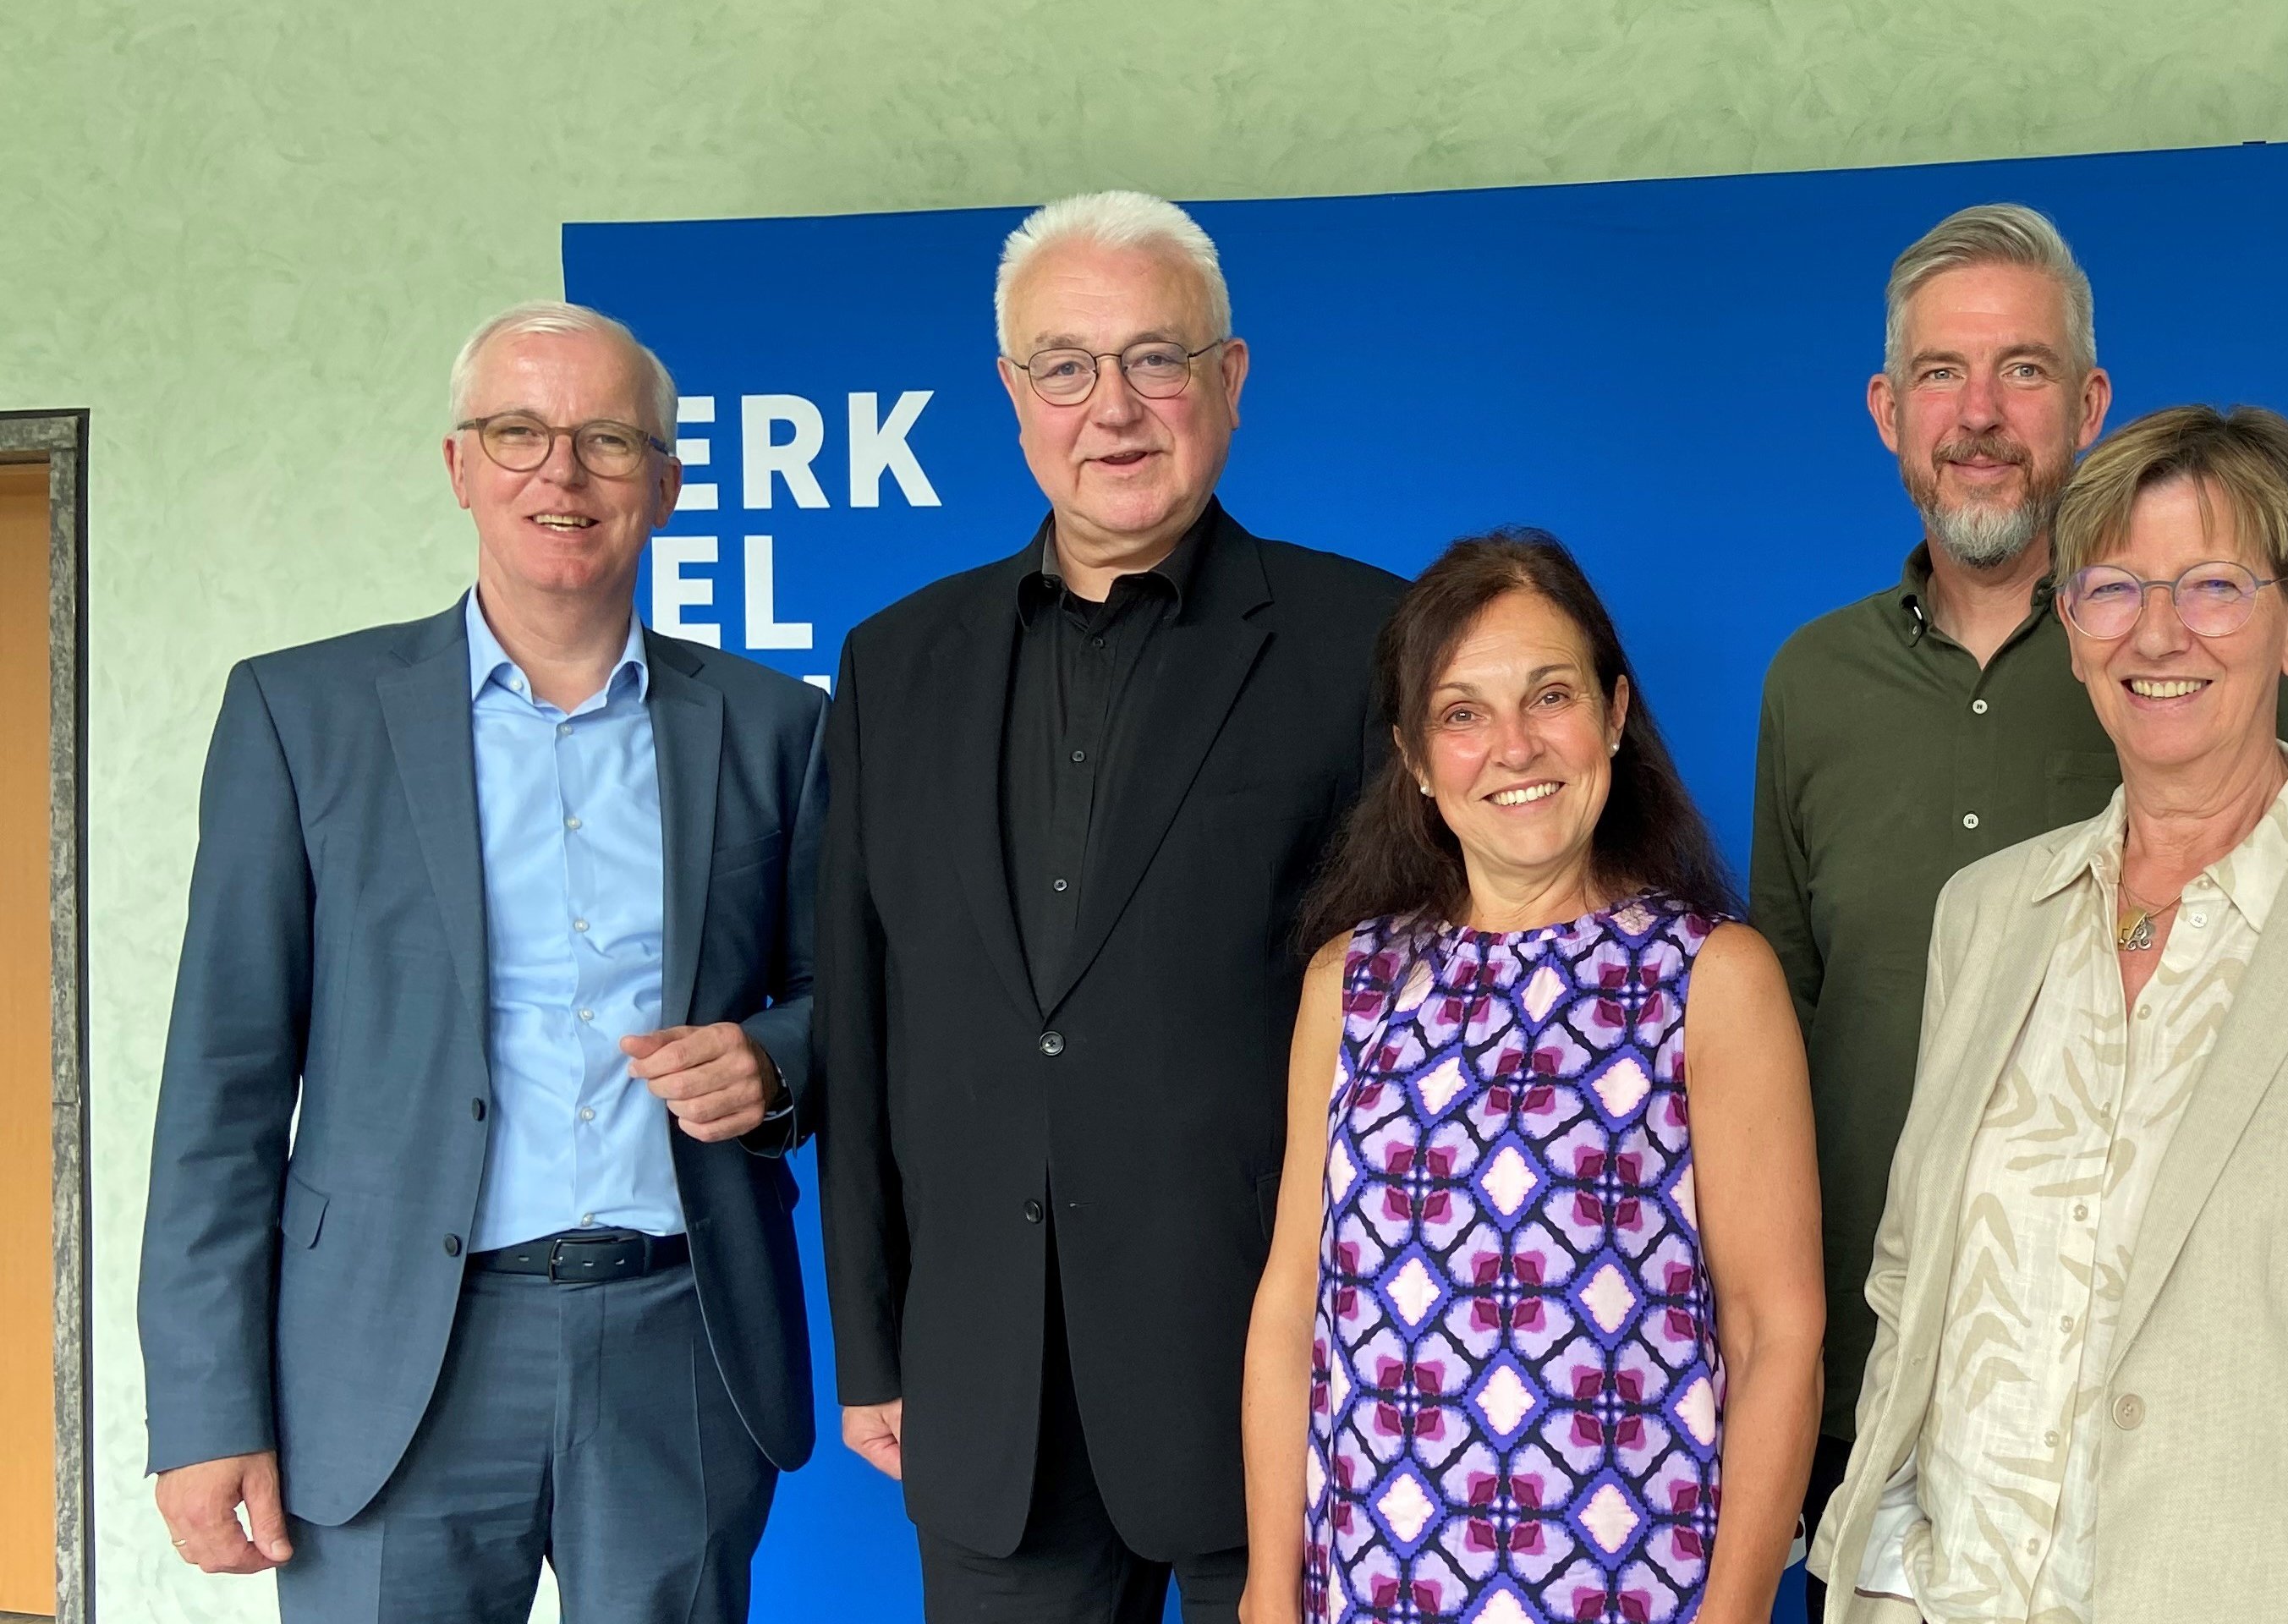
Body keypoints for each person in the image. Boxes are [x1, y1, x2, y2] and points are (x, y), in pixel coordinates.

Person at [1812, 404, 2288, 1623]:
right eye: (2113, 587)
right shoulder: (1988, 915)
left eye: (2214, 585)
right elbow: (1918, 1287)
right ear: (2068, 629)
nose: (2159, 633)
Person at [140, 302, 827, 1621]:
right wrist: (203, 1406)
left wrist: (774, 1060)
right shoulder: (303, 717)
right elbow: (220, 1088)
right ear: (460, 467)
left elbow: (846, 1003)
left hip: (679, 1340)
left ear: (668, 485)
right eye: (519, 432)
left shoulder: (776, 729)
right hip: (390, 1355)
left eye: (607, 441)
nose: (559, 475)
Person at [815, 189, 1404, 1622]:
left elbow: (1420, 1020)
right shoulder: (895, 664)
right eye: (1066, 366)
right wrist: (875, 1346)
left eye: (1157, 357)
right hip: (987, 1396)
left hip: (1276, 1387)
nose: (1115, 407)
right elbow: (864, 1015)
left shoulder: (1367, 644)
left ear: (1232, 378)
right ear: (1014, 395)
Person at [1747, 206, 2288, 1602]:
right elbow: (1781, 1004)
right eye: (1943, 376)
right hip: (1875, 1374)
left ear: (2090, 402)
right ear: (1890, 412)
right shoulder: (1810, 681)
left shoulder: (2195, 658)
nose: (1982, 416)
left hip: (2155, 1376)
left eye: (2023, 370)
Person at [1238, 532, 1823, 1624]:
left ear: (1613, 715)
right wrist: (1272, 1590)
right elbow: (1291, 1310)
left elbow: (1776, 1330)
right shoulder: (1351, 983)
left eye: (1549, 696)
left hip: (1633, 1591)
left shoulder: (1710, 978)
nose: (1513, 746)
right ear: (1414, 757)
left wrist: (1735, 1614)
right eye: (1463, 714)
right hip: (1372, 1589)